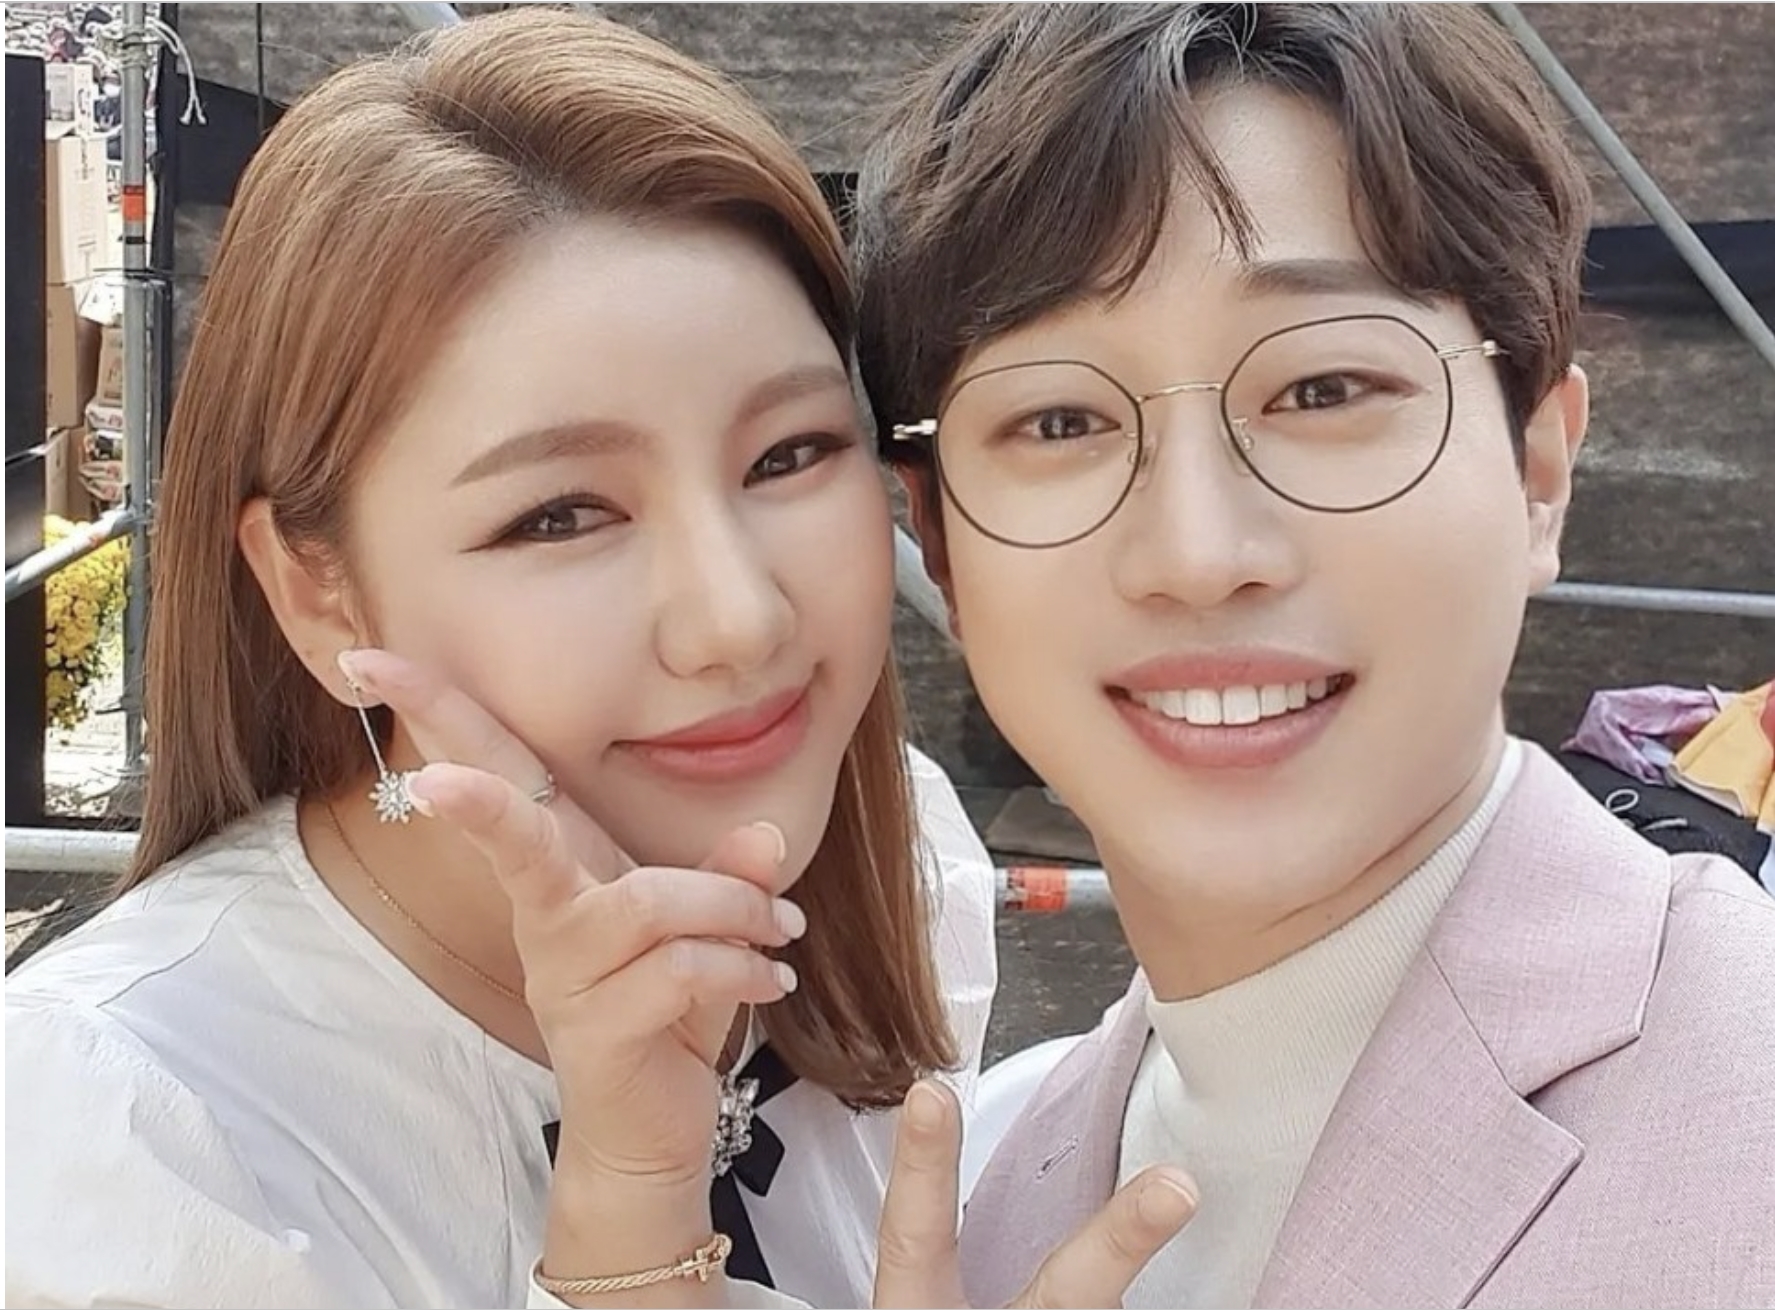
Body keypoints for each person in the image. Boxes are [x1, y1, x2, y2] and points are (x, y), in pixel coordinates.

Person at [4, 10, 1004, 1308]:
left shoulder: (906, 868)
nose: (738, 620)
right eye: (561, 515)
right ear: (317, 589)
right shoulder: (132, 1141)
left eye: (789, 454)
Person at [849, 4, 1775, 1307]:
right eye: (1059, 419)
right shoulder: (995, 1183)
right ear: (938, 541)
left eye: (1324, 390)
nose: (1197, 551)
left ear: (1539, 469)